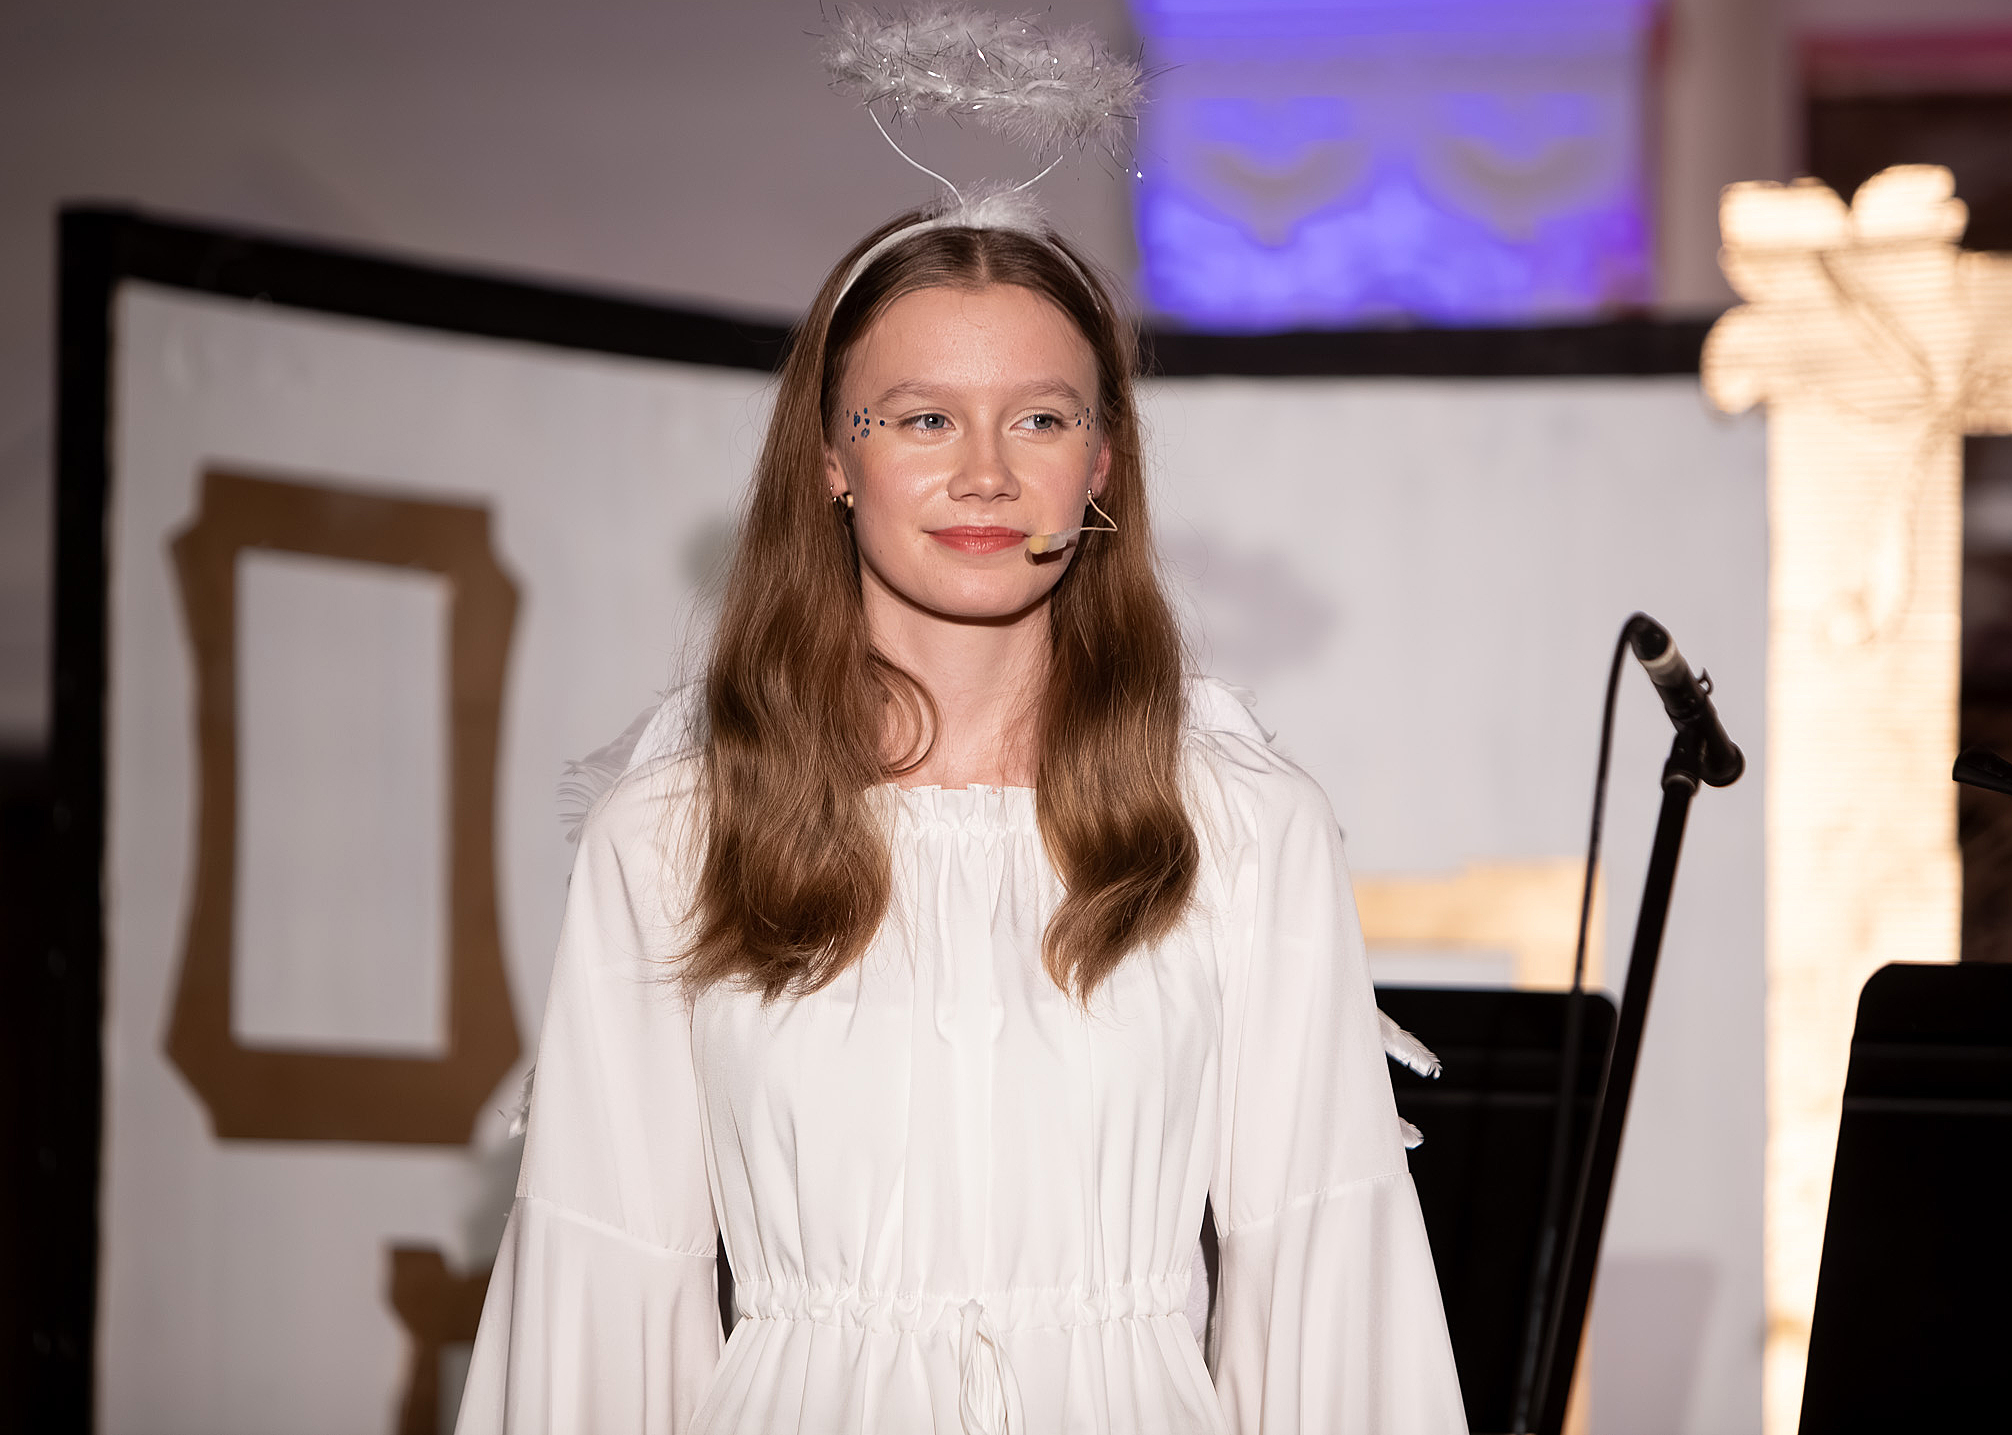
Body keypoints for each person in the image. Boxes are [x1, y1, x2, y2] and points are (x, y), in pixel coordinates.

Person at [455, 202, 1468, 1434]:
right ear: (831, 457)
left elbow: (1327, 1275)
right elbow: (601, 1290)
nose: (985, 474)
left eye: (1040, 418)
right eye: (923, 418)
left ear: (1101, 462)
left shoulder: (1239, 827)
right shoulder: (674, 833)